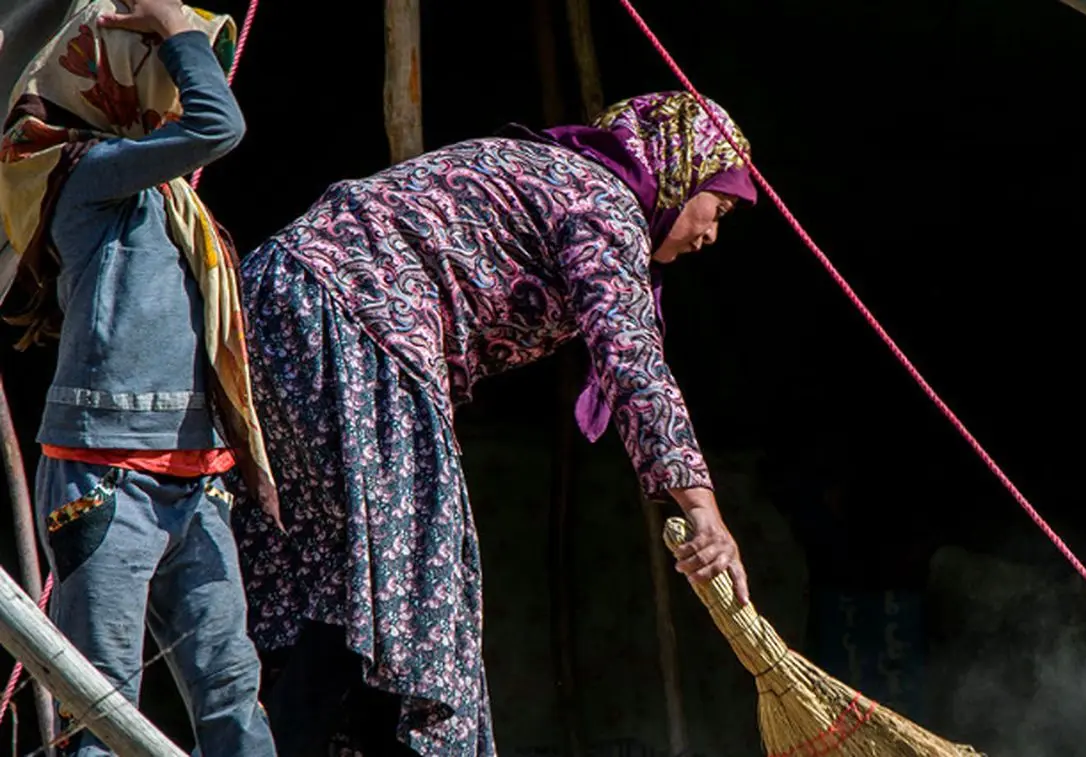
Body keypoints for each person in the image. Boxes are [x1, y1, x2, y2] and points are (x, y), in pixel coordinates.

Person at [232, 91, 758, 755]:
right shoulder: (601, 200)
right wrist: (702, 508)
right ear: (681, 170)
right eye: (722, 205)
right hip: (354, 320)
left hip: (275, 300)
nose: (713, 233)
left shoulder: (555, 173)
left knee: (355, 583)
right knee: (417, 589)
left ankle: (289, 738)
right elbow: (631, 359)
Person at [0, 1, 279, 754]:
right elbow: (221, 125)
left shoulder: (165, 193)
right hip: (107, 476)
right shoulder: (88, 173)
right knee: (104, 707)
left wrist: (176, 31)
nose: (182, 81)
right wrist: (177, 28)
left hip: (195, 477)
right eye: (158, 60)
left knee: (232, 696)